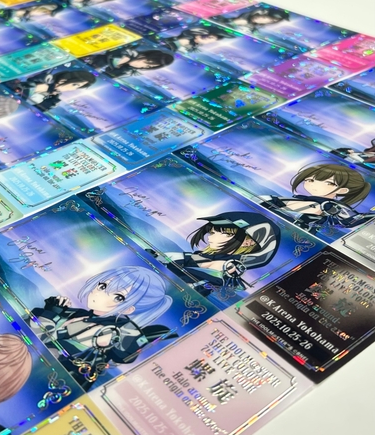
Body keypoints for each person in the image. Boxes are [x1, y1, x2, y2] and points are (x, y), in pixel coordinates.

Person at [27, 266, 175, 389]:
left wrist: (51, 313)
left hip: (48, 380)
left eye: (118, 297)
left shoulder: (115, 332)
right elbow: (30, 331)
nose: (99, 293)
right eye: (103, 286)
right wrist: (53, 310)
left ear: (128, 309)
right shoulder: (78, 314)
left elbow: (43, 343)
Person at [151, 212, 280, 298]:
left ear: (248, 242)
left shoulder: (224, 272)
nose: (210, 237)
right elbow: (174, 259)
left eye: (219, 233)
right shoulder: (203, 258)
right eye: (211, 232)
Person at [259, 163, 375, 233]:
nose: (315, 185)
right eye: (310, 180)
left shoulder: (331, 207)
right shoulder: (301, 200)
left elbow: (353, 221)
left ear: (342, 190)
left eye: (329, 183)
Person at [8, 69, 97, 110]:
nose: (73, 89)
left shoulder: (53, 96)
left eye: (77, 87)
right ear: (64, 79)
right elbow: (15, 91)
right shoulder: (43, 83)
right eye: (74, 84)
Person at [84, 46, 174, 78]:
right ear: (144, 56)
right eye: (147, 62)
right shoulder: (127, 52)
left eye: (148, 67)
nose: (143, 66)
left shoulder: (127, 70)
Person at [216, 6, 290, 33]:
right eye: (262, 16)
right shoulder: (251, 14)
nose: (259, 18)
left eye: (263, 19)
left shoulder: (249, 25)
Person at [161, 26, 234, 53]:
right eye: (209, 37)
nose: (207, 40)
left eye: (210, 41)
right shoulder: (167, 42)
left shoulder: (189, 49)